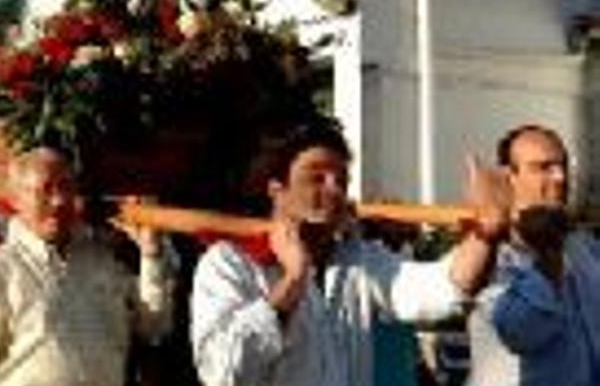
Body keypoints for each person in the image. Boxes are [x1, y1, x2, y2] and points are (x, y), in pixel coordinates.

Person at [190, 119, 511, 386]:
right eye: (316, 177)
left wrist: (487, 235)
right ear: (277, 190)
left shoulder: (359, 259)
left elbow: (441, 289)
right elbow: (222, 373)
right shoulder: (228, 262)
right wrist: (293, 280)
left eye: (341, 180)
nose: (334, 190)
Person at [0, 146, 174, 386]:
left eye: (66, 187)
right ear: (16, 200)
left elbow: (155, 326)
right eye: (45, 190)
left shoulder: (102, 260)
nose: (59, 200)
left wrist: (151, 254)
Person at [466, 124, 600, 386]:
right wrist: (549, 258)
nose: (560, 177)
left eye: (562, 166)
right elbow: (521, 332)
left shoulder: (582, 246)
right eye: (543, 167)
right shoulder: (488, 254)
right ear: (509, 178)